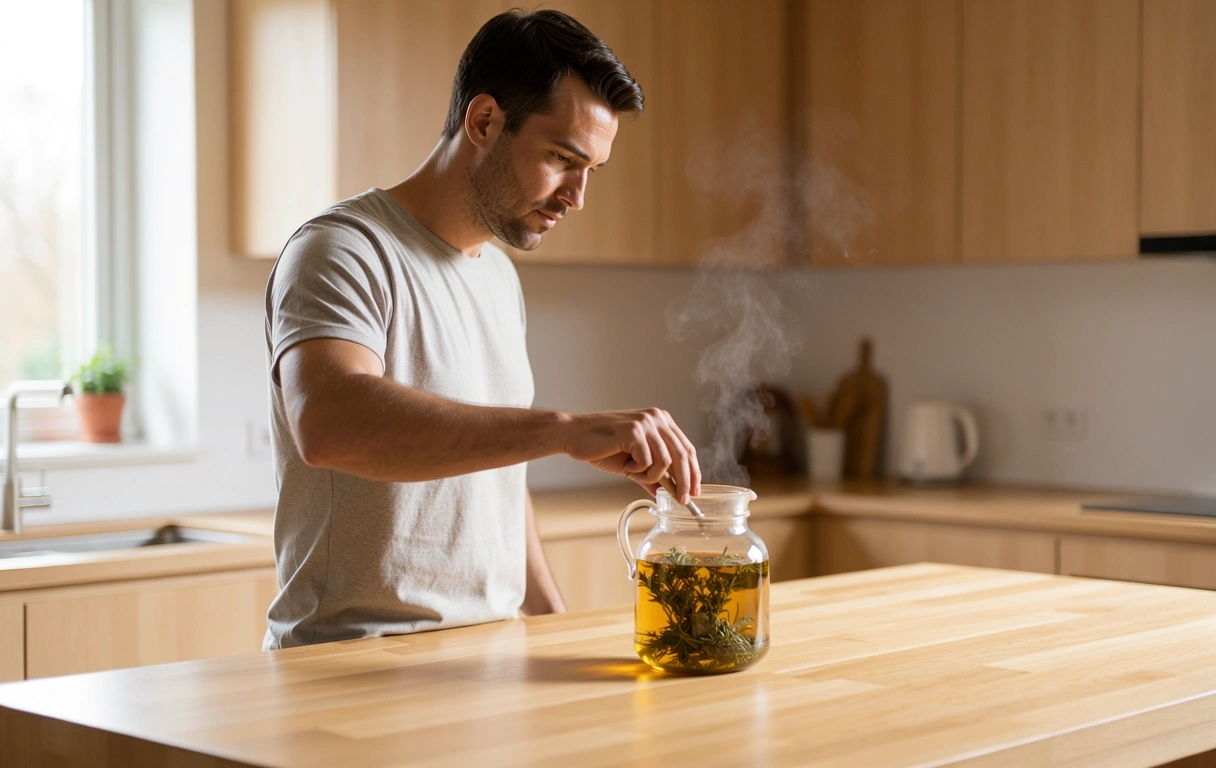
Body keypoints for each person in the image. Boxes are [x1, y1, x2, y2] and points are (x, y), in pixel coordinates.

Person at [262, 9, 702, 650]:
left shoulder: (497, 275)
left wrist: (551, 623)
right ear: (485, 121)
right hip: (354, 659)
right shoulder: (344, 250)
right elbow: (329, 424)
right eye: (562, 158)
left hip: (492, 655)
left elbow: (496, 480)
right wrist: (564, 430)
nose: (577, 196)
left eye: (591, 170)